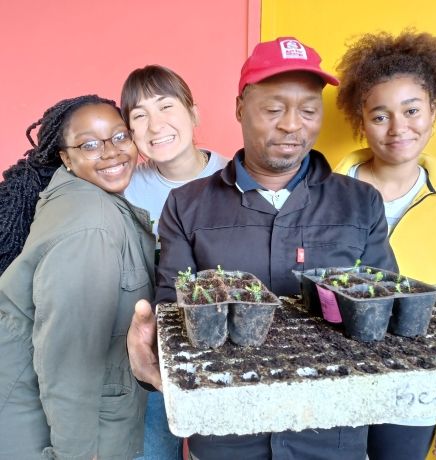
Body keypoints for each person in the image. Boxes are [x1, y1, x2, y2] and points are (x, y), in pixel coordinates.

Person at [127, 36, 397, 460]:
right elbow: (172, 310)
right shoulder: (188, 205)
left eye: (309, 110)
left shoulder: (360, 203)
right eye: (273, 110)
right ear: (239, 108)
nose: (292, 124)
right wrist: (151, 356)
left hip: (330, 436)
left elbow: (382, 314)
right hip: (223, 436)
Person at [0, 95, 156, 459]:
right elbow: (68, 359)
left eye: (119, 137)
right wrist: (76, 454)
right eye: (89, 145)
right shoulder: (92, 226)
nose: (112, 152)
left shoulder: (86, 196)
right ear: (66, 159)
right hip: (60, 434)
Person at [334, 31, 436, 460]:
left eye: (412, 110)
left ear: (434, 110)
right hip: (334, 381)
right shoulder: (323, 194)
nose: (398, 128)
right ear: (360, 118)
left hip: (416, 392)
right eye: (380, 115)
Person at [120, 65, 228, 460]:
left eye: (166, 106)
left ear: (193, 113)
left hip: (221, 350)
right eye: (139, 115)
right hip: (153, 353)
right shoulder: (124, 187)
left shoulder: (236, 177)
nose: (155, 125)